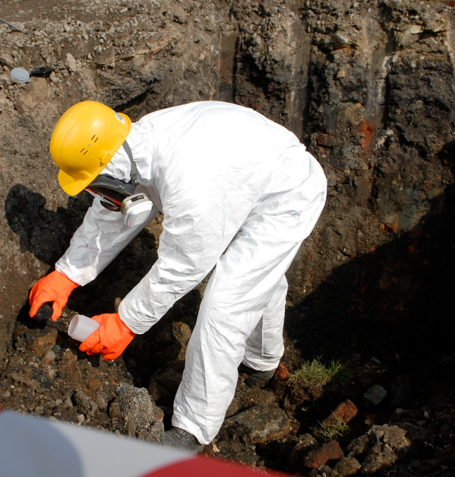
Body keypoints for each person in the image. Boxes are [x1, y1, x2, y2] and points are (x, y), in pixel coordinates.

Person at [27, 100, 327, 452]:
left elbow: (183, 265)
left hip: (285, 193)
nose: (97, 195)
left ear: (110, 162)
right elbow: (115, 211)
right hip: (243, 172)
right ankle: (262, 361)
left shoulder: (187, 180)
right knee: (258, 278)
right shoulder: (136, 146)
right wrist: (66, 275)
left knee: (228, 302)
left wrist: (126, 323)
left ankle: (194, 428)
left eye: (97, 185)